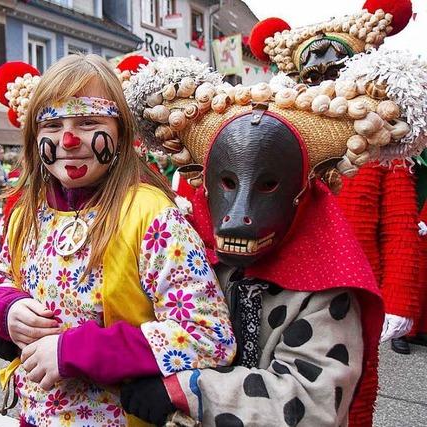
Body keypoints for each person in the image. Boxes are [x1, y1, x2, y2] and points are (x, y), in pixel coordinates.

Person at [119, 51, 426, 426]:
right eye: (228, 184)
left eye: (267, 186)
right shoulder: (184, 251)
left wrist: (190, 390)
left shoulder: (325, 290)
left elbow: (311, 404)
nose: (237, 216)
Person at [0, 54, 236, 426]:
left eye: (88, 121)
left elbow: (208, 335)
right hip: (35, 416)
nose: (68, 140)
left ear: (120, 132)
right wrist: (8, 310)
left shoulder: (151, 215)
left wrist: (75, 350)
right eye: (52, 124)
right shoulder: (27, 214)